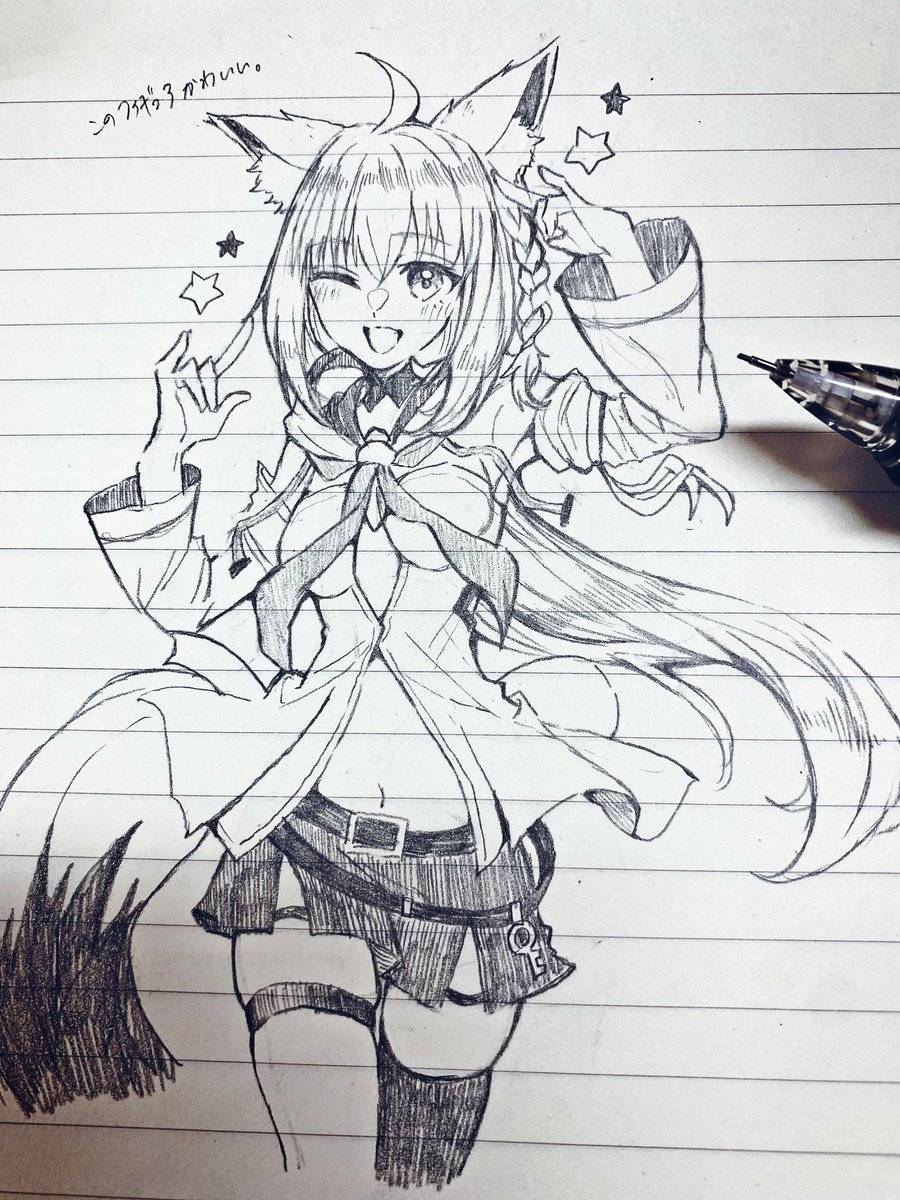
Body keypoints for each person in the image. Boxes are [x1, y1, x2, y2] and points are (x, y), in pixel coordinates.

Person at [1, 47, 898, 1189]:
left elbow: (675, 419)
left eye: (423, 274)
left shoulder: (522, 422)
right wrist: (168, 454)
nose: (378, 313)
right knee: (310, 1159)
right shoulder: (297, 452)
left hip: (469, 858)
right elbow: (190, 602)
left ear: (477, 277)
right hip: (306, 838)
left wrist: (622, 274)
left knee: (429, 1150)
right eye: (340, 279)